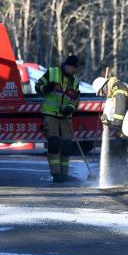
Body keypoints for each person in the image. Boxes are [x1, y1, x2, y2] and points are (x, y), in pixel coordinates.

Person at [35, 55, 81, 183]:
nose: (73, 70)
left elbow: (75, 99)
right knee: (54, 143)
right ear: (66, 65)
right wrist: (46, 88)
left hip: (65, 115)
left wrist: (70, 108)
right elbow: (38, 87)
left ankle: (64, 174)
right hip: (50, 114)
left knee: (67, 145)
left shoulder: (74, 81)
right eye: (72, 67)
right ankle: (56, 174)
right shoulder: (52, 73)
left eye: (75, 68)